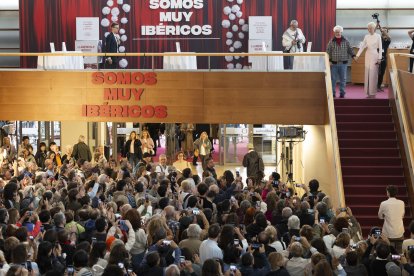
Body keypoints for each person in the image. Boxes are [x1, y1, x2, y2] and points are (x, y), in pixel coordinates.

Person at [326, 25, 357, 98]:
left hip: (343, 64)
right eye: (336, 32)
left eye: (339, 32)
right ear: (334, 32)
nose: (337, 33)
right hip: (334, 64)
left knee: (343, 79)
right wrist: (329, 61)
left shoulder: (346, 40)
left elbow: (350, 49)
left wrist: (354, 56)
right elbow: (328, 52)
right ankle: (333, 93)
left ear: (341, 32)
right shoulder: (331, 41)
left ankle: (342, 93)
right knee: (333, 79)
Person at [355, 22, 383, 98]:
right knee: (367, 74)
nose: (369, 29)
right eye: (368, 28)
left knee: (373, 74)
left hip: (375, 55)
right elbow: (362, 46)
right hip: (367, 55)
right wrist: (357, 55)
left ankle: (373, 93)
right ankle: (368, 93)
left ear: (374, 28)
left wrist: (380, 58)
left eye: (370, 28)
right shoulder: (366, 36)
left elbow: (380, 48)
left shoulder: (378, 36)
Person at [377, 24, 391, 91]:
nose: (383, 32)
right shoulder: (378, 38)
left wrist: (383, 31)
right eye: (383, 31)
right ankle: (374, 86)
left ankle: (379, 86)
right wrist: (381, 30)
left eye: (385, 31)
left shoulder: (387, 40)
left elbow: (389, 38)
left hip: (383, 58)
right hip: (376, 58)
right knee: (376, 73)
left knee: (382, 73)